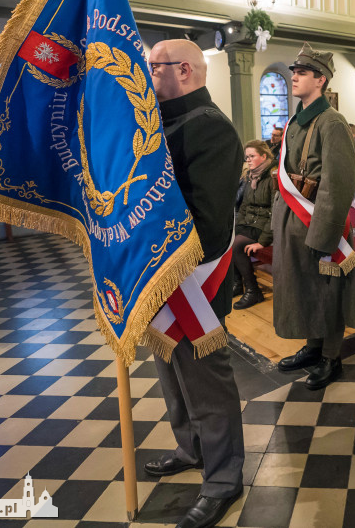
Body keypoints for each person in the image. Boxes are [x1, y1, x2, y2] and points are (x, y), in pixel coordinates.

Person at [144, 40, 244, 528]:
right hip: (159, 277)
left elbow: (209, 224)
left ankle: (225, 477)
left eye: (153, 67)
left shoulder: (209, 128)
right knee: (172, 372)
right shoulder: (164, 121)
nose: (147, 74)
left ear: (182, 70)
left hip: (194, 284)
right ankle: (192, 447)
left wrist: (166, 263)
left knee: (208, 383)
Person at [272, 43, 355, 390]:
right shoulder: (297, 119)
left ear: (320, 80)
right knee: (303, 290)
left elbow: (338, 184)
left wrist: (323, 236)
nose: (294, 76)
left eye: (302, 72)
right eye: (294, 71)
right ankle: (312, 347)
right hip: (293, 219)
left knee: (328, 293)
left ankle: (331, 358)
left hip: (320, 222)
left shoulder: (332, 121)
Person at [231, 141, 275, 310]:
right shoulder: (251, 176)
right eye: (247, 157)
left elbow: (275, 212)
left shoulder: (273, 176)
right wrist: (238, 224)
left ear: (264, 156)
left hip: (265, 227)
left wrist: (263, 241)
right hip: (250, 223)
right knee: (226, 238)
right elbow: (244, 206)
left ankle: (253, 290)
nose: (248, 160)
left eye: (252, 156)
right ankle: (237, 283)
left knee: (236, 245)